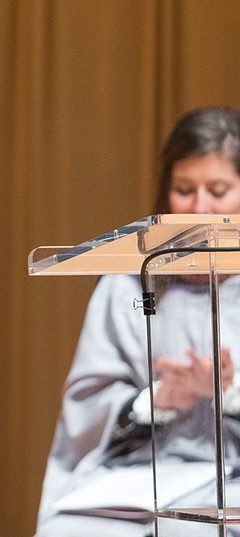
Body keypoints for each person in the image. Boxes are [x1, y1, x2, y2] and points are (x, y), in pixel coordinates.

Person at [36, 107, 240, 537]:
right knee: (68, 530)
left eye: (218, 190)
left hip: (230, 482)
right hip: (133, 480)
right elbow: (86, 406)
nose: (199, 207)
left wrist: (227, 391)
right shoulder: (127, 281)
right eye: (184, 189)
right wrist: (160, 399)